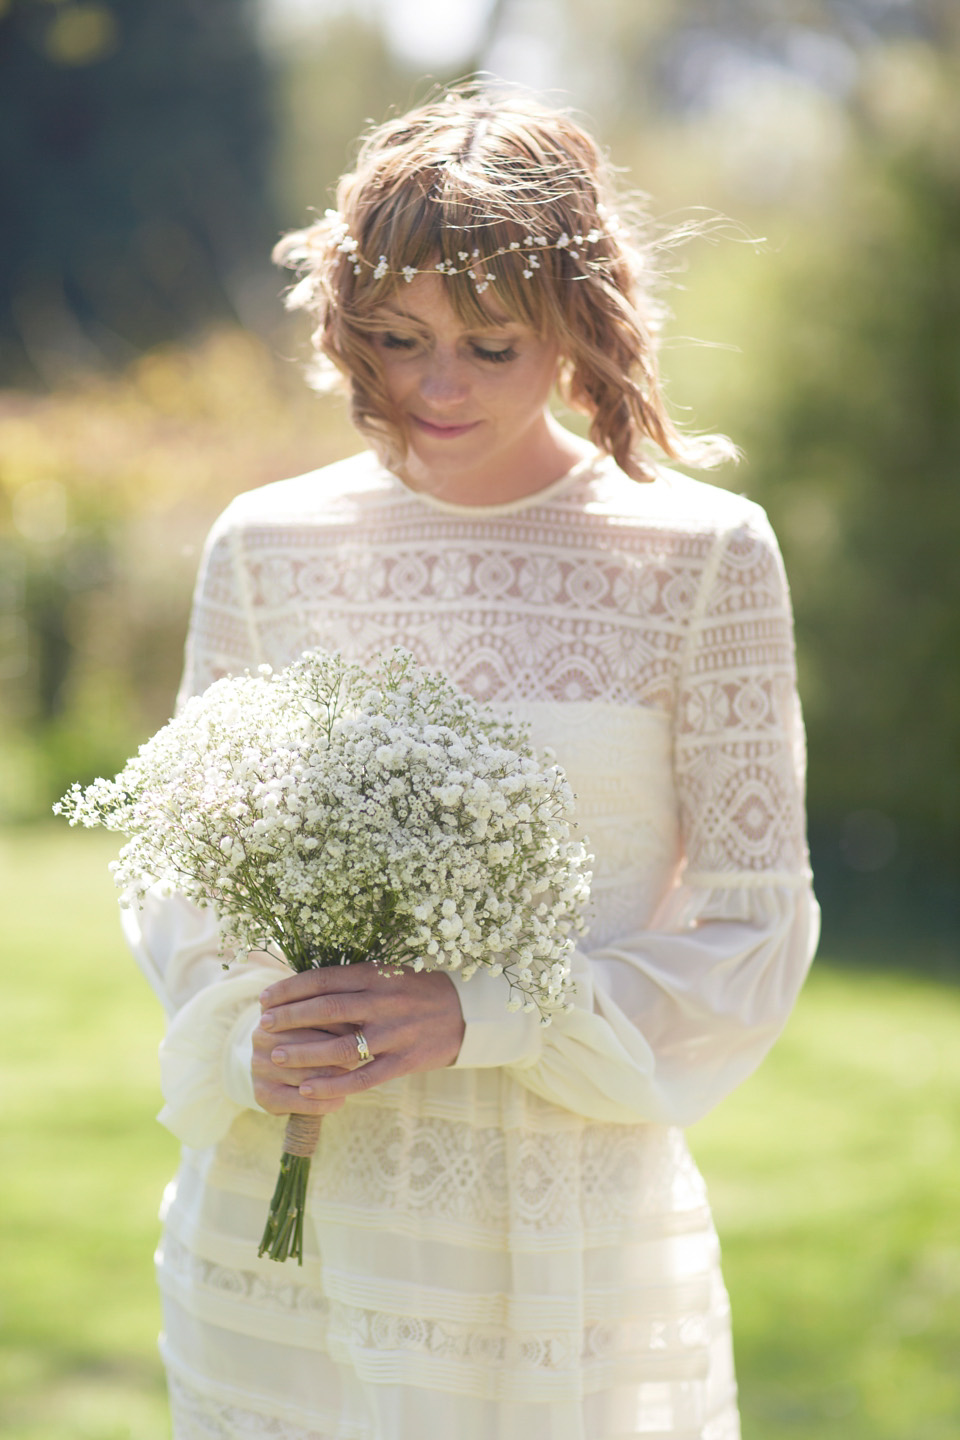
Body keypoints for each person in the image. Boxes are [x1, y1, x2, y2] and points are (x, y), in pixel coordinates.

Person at [123, 86, 819, 1440]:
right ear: (343, 322)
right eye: (397, 339)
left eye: (491, 346)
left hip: (564, 1244)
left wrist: (486, 1012)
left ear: (579, 325)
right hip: (288, 1237)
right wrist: (246, 1026)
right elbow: (176, 874)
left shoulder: (707, 557)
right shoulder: (261, 547)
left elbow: (753, 933)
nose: (435, 389)